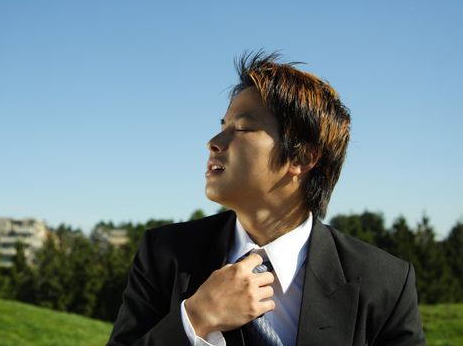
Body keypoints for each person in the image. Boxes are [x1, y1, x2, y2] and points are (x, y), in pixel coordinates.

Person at [106, 52, 425, 346]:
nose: (213, 143)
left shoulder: (384, 284)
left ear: (301, 157)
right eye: (222, 126)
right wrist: (195, 320)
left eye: (242, 128)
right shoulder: (164, 255)